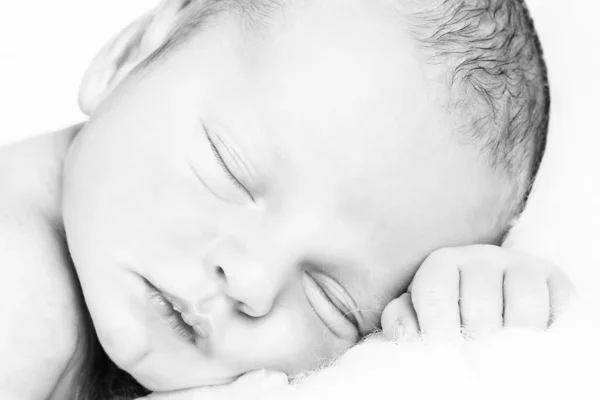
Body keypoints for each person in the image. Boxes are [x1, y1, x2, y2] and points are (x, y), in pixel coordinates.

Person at [0, 0, 573, 399]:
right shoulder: (19, 286)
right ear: (129, 54)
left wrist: (448, 318)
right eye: (230, 170)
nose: (251, 279)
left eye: (332, 302)